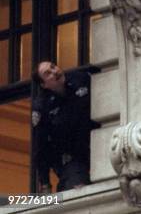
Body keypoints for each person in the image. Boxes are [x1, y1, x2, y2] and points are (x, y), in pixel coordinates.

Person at [31, 61, 100, 193]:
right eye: (48, 73)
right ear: (43, 84)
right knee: (77, 191)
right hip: (70, 156)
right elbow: (41, 147)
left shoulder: (81, 79)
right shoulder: (42, 107)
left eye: (53, 66)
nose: (55, 71)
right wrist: (45, 183)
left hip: (96, 143)